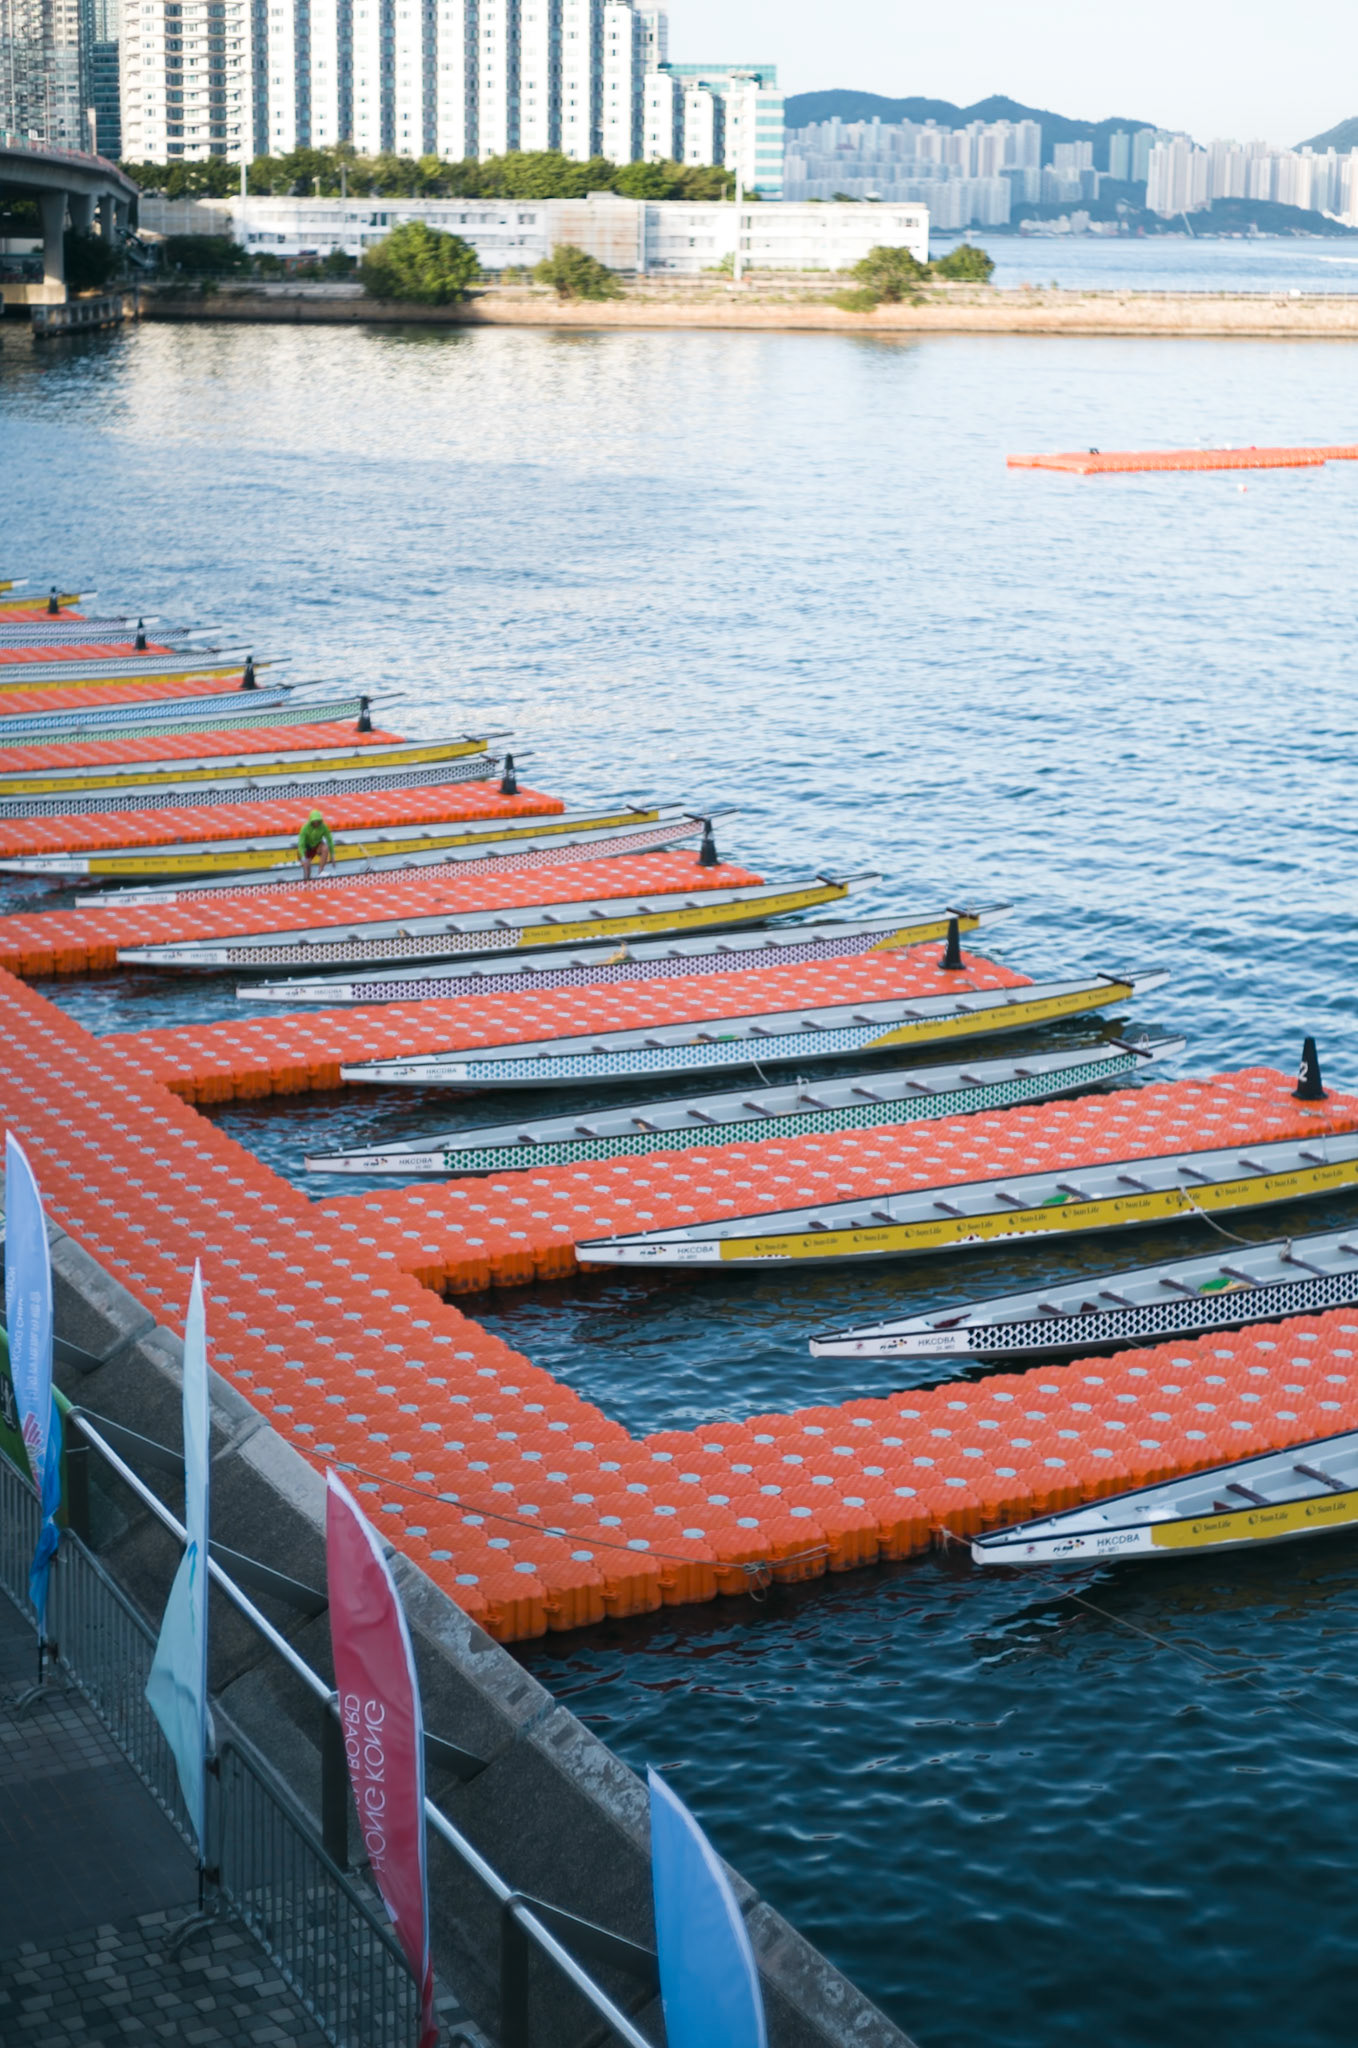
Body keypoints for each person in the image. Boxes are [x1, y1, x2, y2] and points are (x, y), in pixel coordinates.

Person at [299, 809, 335, 880]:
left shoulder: (323, 827)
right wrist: (303, 858)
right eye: (314, 821)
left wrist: (332, 855)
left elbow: (329, 840)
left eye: (317, 821)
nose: (316, 823)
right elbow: (301, 844)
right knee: (307, 870)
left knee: (325, 848)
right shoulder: (305, 828)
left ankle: (320, 871)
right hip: (307, 848)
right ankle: (307, 879)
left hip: (317, 846)